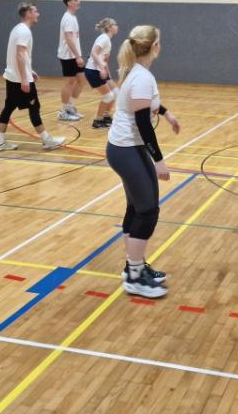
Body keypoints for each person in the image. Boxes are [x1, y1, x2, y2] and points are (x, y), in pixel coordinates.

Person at [106, 25, 181, 299]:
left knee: (137, 207)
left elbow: (144, 105)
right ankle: (135, 278)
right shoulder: (141, 77)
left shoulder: (137, 72)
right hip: (126, 149)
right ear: (154, 47)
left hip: (128, 148)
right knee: (147, 211)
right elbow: (142, 123)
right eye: (159, 41)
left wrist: (167, 113)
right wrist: (158, 160)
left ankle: (133, 267)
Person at [0, 2, 66, 152]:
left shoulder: (17, 29)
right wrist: (25, 79)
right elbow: (19, 55)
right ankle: (47, 140)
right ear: (28, 13)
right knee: (34, 107)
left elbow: (20, 55)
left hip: (12, 76)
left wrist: (29, 70)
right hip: (19, 78)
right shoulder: (24, 31)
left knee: (9, 107)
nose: (38, 14)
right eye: (35, 11)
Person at [85, 18, 119, 129]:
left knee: (116, 93)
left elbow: (104, 59)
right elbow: (94, 53)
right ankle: (97, 121)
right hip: (93, 71)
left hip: (100, 70)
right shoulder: (104, 38)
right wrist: (101, 68)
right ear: (109, 27)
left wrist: (108, 74)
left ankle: (106, 116)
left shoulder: (108, 40)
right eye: (115, 24)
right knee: (108, 96)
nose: (117, 26)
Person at [57, 0, 85, 122]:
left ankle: (69, 106)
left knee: (81, 80)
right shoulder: (67, 18)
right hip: (68, 55)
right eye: (75, 0)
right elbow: (68, 39)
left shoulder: (73, 17)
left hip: (74, 55)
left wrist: (78, 55)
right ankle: (63, 111)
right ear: (69, 3)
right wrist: (77, 56)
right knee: (69, 82)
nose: (78, 2)